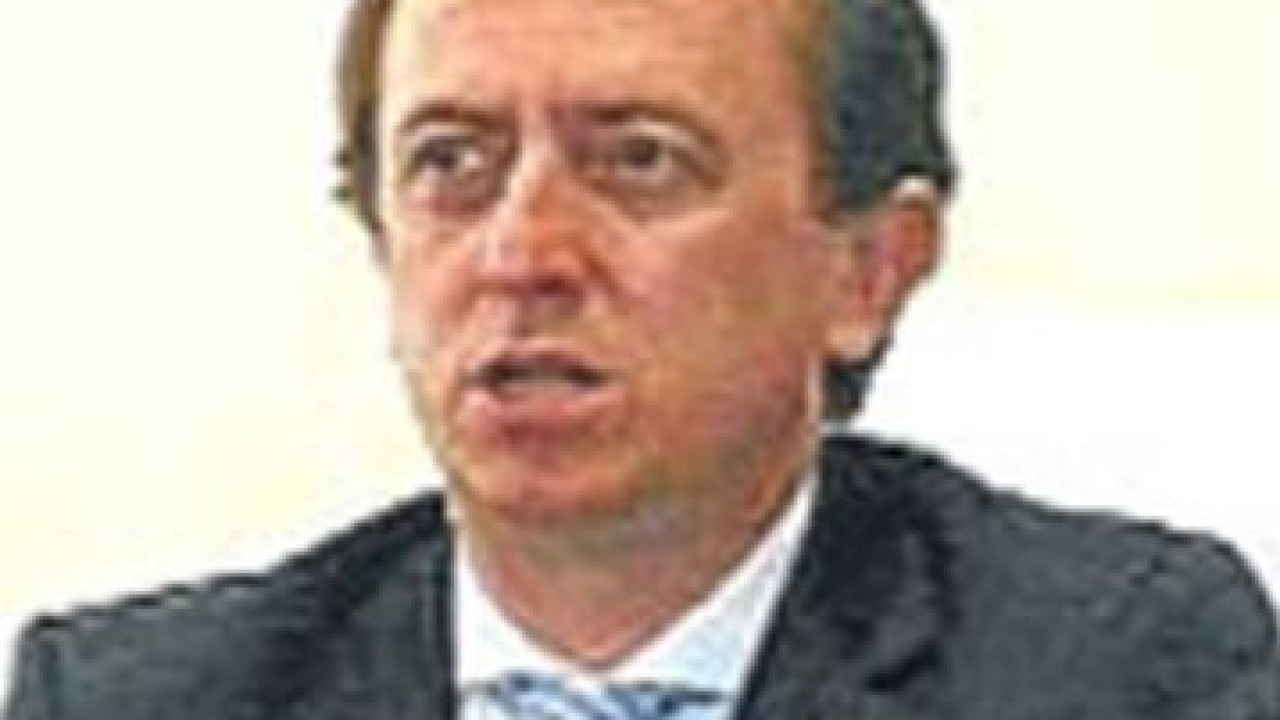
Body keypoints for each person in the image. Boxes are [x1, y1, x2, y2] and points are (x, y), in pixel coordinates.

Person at [5, 0, 1277, 717]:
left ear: (865, 270)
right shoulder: (137, 702)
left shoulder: (1114, 673)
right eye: (451, 164)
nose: (522, 254)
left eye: (637, 161)